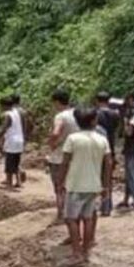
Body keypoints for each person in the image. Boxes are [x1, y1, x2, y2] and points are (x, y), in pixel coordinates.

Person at [61, 108, 112, 267]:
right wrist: (106, 185)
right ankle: (85, 251)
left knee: (71, 219)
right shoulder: (102, 139)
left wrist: (60, 181)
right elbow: (109, 163)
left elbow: (65, 161)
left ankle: (76, 254)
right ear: (94, 121)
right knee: (88, 218)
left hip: (75, 184)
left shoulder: (73, 139)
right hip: (94, 184)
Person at [46, 89, 79, 222]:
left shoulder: (61, 116)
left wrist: (51, 143)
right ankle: (73, 213)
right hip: (74, 156)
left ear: (57, 102)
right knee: (72, 187)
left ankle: (61, 214)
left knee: (59, 188)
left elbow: (55, 132)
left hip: (59, 157)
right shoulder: (76, 114)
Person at [0, 96, 25, 189]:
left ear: (4, 106)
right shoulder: (16, 112)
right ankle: (18, 182)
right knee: (16, 162)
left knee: (9, 163)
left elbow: (3, 128)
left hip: (12, 141)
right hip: (19, 140)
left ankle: (9, 184)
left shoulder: (8, 114)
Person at [94, 92, 120, 216]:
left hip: (97, 148)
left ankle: (95, 205)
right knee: (107, 178)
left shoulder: (95, 114)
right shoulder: (115, 114)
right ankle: (107, 206)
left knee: (96, 177)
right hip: (111, 148)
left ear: (97, 100)